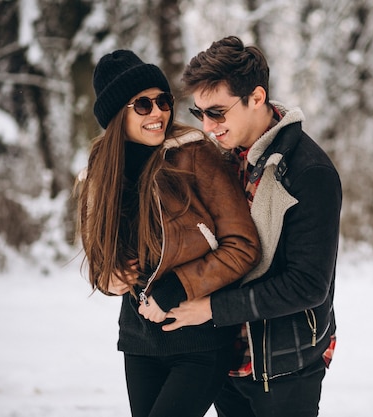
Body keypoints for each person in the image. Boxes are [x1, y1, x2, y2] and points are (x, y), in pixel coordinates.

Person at [75, 49, 261, 417]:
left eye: (162, 101)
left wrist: (175, 289)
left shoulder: (193, 155)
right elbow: (100, 261)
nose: (158, 112)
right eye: (142, 104)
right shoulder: (99, 175)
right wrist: (110, 277)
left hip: (200, 339)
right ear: (117, 114)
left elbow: (242, 245)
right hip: (140, 341)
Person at [163, 36, 342, 417]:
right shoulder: (219, 160)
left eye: (218, 112)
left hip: (286, 365)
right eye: (200, 114)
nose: (209, 127)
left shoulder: (309, 172)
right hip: (225, 359)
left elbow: (308, 285)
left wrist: (210, 308)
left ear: (256, 98)